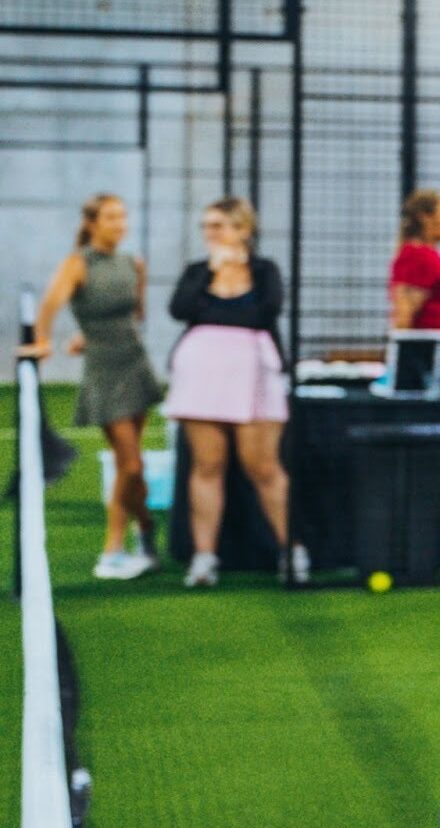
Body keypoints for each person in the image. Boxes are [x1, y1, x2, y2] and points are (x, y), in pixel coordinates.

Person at [165, 197, 309, 587]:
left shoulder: (264, 271)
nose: (212, 233)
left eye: (221, 225)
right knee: (206, 466)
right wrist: (212, 275)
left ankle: (292, 552)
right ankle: (203, 559)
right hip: (200, 375)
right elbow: (180, 309)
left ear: (243, 229)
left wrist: (220, 309)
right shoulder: (197, 272)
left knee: (263, 467)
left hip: (254, 374)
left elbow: (265, 311)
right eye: (207, 226)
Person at [18, 193, 163, 580]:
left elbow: (137, 314)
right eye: (112, 217)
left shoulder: (134, 264)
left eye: (123, 217)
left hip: (135, 364)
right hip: (103, 371)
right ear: (93, 223)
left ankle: (144, 535)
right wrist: (45, 340)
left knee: (133, 467)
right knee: (129, 464)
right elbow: (50, 306)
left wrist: (89, 332)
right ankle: (120, 544)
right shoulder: (76, 264)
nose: (120, 224)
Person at [388, 189, 440, 387]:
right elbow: (404, 313)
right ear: (425, 218)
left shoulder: (431, 255)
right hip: (431, 359)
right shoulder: (418, 256)